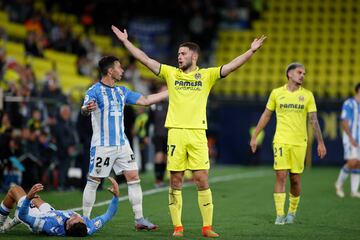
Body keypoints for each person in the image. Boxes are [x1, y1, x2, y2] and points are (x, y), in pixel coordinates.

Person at [112, 25, 266, 238]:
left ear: (194, 56)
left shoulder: (207, 75)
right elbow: (145, 60)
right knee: (176, 180)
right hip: (175, 133)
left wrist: (251, 51)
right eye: (178, 54)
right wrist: (126, 42)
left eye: (183, 54)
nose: (179, 57)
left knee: (202, 179)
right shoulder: (171, 74)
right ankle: (178, 228)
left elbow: (230, 67)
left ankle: (207, 227)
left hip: (197, 134)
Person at [81, 56, 168, 230]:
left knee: (134, 177)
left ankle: (139, 219)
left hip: (122, 144)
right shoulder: (94, 91)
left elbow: (145, 100)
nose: (122, 70)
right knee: (94, 181)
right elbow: (84, 108)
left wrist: (172, 90)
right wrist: (86, 109)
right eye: (119, 68)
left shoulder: (122, 91)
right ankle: (84, 220)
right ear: (110, 71)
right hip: (103, 146)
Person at [250, 62, 327, 225]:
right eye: (300, 72)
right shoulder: (277, 93)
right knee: (280, 175)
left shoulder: (308, 95)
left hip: (300, 143)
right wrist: (255, 136)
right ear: (289, 74)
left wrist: (321, 142)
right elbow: (266, 115)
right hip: (281, 141)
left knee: (295, 180)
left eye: (304, 73)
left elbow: (313, 120)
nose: (303, 76)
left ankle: (292, 212)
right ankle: (279, 215)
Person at [0, 177, 119, 236]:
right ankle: (13, 221)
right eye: (81, 219)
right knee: (37, 199)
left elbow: (24, 215)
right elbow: (108, 215)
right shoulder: (87, 228)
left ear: (68, 225)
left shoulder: (48, 225)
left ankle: (1, 224)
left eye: (74, 218)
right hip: (52, 212)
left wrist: (28, 198)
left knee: (15, 190)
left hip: (38, 216)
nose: (77, 215)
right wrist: (116, 196)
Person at [335, 83, 360, 198]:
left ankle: (354, 191)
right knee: (352, 162)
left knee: (358, 164)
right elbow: (344, 121)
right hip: (351, 138)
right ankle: (338, 184)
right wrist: (350, 137)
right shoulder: (349, 103)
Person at [147, 84, 169, 188]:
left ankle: (161, 179)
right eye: (163, 90)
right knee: (159, 156)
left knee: (165, 157)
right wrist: (146, 135)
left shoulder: (171, 104)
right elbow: (149, 121)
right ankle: (157, 180)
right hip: (158, 135)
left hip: (169, 134)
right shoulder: (154, 105)